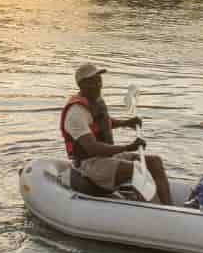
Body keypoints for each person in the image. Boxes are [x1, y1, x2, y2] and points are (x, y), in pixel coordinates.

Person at [59, 63, 174, 205]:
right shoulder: (76, 113)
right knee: (136, 170)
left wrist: (126, 123)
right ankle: (148, 210)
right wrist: (128, 147)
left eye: (99, 80)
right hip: (90, 165)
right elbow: (92, 148)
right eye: (92, 81)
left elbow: (103, 123)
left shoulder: (95, 100)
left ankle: (169, 207)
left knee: (154, 162)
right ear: (81, 85)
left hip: (107, 157)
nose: (98, 84)